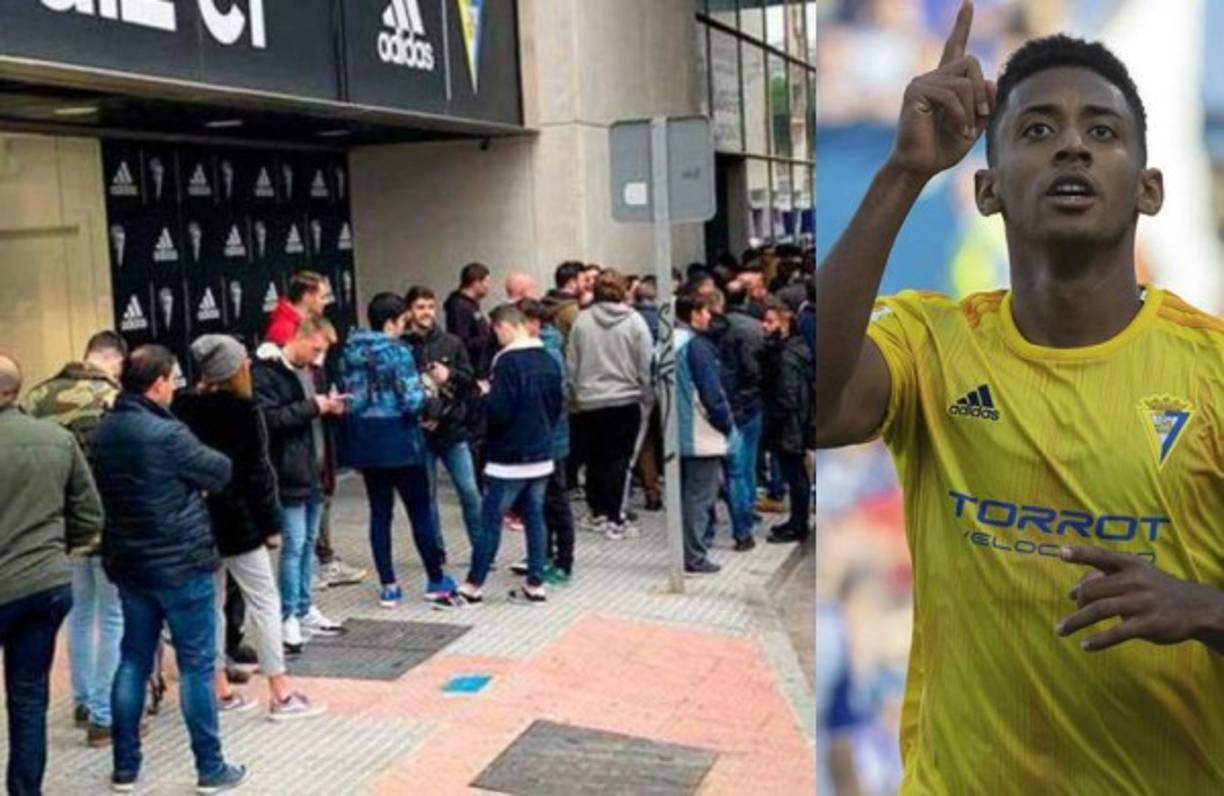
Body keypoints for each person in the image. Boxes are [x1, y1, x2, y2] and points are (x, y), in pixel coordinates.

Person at [815, 5, 1224, 791]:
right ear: (988, 188)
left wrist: (1205, 608)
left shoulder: (1209, 370)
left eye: (1102, 131)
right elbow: (820, 404)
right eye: (1036, 130)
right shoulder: (933, 346)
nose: (1072, 143)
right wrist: (903, 173)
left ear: (1150, 190)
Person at [91, 345, 247, 793]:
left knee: (134, 659)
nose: (176, 387)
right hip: (182, 564)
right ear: (158, 382)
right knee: (197, 665)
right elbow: (219, 470)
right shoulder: (167, 434)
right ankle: (210, 767)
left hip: (131, 563)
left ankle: (125, 767)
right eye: (172, 380)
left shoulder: (104, 430)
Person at [175, 335, 326, 722]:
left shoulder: (182, 407)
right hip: (239, 522)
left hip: (198, 520)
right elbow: (259, 473)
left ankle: (221, 689)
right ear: (235, 369)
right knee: (264, 600)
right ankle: (280, 692)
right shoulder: (245, 411)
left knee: (212, 604)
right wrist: (271, 524)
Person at [0, 353, 103, 793]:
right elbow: (89, 513)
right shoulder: (55, 439)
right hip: (44, 584)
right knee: (28, 700)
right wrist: (55, 550)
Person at [23, 331, 125, 747]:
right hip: (104, 523)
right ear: (114, 360)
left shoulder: (36, 396)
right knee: (113, 615)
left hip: (56, 526)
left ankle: (83, 700)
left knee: (80, 614)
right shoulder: (112, 398)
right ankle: (104, 714)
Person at [341, 293, 462, 609]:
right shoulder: (399, 353)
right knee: (419, 510)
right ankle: (436, 579)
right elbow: (412, 400)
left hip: (367, 442)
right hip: (402, 441)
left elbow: (351, 399)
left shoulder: (350, 351)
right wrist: (429, 404)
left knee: (380, 513)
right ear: (392, 321)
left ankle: (388, 586)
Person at [457, 305, 564, 604]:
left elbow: (500, 411)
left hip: (509, 456)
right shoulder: (548, 358)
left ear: (504, 326)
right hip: (542, 451)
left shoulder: (506, 362)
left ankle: (473, 585)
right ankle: (535, 583)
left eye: (496, 330)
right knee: (535, 517)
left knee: (491, 519)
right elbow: (557, 403)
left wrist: (484, 395)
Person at [253, 318, 348, 653]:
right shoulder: (268, 373)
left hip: (316, 470)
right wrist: (313, 407)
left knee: (308, 543)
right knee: (293, 546)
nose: (319, 357)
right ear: (300, 338)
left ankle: (305, 608)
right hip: (289, 473)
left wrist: (331, 408)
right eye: (317, 348)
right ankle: (287, 616)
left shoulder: (314, 371)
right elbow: (268, 419)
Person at [566, 269, 654, 539]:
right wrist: (646, 391)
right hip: (625, 399)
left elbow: (572, 363)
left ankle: (597, 512)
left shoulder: (582, 321)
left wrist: (574, 395)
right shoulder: (635, 322)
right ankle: (616, 516)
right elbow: (645, 362)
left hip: (589, 400)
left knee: (594, 459)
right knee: (619, 459)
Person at [402, 286, 482, 564]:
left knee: (470, 491)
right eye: (420, 307)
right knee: (428, 496)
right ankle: (436, 553)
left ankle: (481, 548)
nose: (426, 313)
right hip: (419, 432)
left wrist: (449, 375)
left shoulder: (451, 342)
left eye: (430, 307)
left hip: (452, 431)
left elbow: (470, 384)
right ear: (409, 311)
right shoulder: (401, 347)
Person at [512, 299, 575, 583]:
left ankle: (562, 560)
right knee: (540, 501)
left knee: (554, 500)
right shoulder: (542, 347)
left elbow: (556, 396)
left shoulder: (546, 351)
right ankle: (544, 555)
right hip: (543, 436)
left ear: (533, 322)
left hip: (549, 438)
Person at [673, 294, 732, 576]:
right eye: (707, 312)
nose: (710, 317)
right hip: (700, 432)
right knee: (699, 497)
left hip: (672, 430)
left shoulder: (665, 343)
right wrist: (727, 425)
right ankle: (694, 556)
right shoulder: (696, 347)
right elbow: (712, 394)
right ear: (695, 314)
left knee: (683, 495)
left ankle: (685, 551)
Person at [704, 282, 764, 550]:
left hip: (710, 410)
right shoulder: (750, 328)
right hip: (745, 410)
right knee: (741, 471)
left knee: (705, 475)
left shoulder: (698, 337)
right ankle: (743, 528)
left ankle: (705, 532)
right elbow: (754, 373)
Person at [312, 318, 367, 591]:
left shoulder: (321, 371)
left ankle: (323, 559)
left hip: (325, 446)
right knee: (315, 505)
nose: (326, 352)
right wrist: (322, 407)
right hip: (309, 456)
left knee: (324, 501)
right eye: (324, 345)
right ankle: (322, 562)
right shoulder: (305, 372)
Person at [759, 299, 813, 543]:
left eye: (770, 322)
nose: (764, 326)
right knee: (796, 474)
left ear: (785, 324)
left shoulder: (787, 357)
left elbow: (787, 395)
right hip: (796, 421)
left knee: (795, 474)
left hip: (789, 424)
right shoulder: (796, 350)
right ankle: (796, 521)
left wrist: (777, 418)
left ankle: (798, 524)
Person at [445, 262, 495, 476]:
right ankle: (474, 475)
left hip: (479, 372)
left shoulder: (472, 306)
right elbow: (463, 341)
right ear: (475, 281)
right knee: (475, 431)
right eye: (486, 282)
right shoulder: (460, 307)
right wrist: (488, 337)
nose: (489, 287)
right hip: (471, 374)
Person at [630, 278, 663, 512]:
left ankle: (651, 489)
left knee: (645, 442)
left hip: (638, 388)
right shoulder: (664, 320)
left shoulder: (631, 320)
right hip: (662, 385)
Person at [264, 270, 332, 346]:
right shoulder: (283, 329)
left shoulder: (307, 323)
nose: (325, 302)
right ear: (307, 296)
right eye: (322, 297)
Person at [542, 261, 583, 340]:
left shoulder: (547, 302)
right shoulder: (571, 309)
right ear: (572, 283)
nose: (586, 284)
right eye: (584, 280)